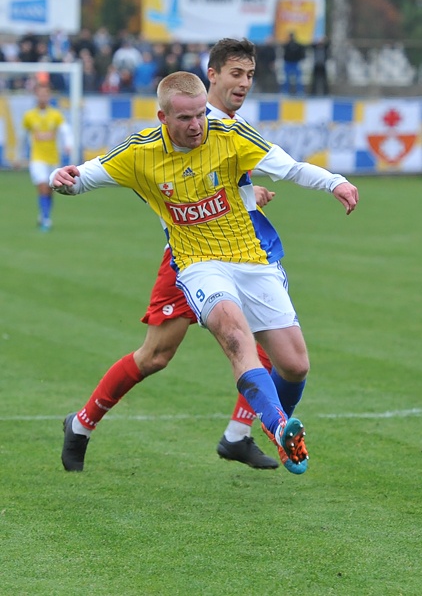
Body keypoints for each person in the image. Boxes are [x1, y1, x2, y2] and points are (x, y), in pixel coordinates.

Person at [52, 69, 359, 475]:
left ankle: (252, 431)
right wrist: (64, 180)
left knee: (295, 365)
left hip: (250, 259)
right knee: (228, 337)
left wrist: (334, 182)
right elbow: (83, 178)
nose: (197, 125)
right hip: (196, 264)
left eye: (201, 115)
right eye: (185, 118)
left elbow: (289, 167)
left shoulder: (230, 135)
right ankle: (276, 429)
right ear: (163, 117)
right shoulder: (139, 152)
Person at [22, 82, 73, 231]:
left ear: (49, 95)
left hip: (53, 158)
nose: (43, 96)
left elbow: (65, 130)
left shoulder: (55, 114)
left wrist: (68, 144)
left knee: (51, 189)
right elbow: (23, 136)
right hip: (37, 158)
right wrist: (18, 155)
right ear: (36, 95)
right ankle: (45, 219)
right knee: (43, 186)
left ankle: (45, 214)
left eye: (46, 94)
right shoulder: (29, 116)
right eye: (40, 94)